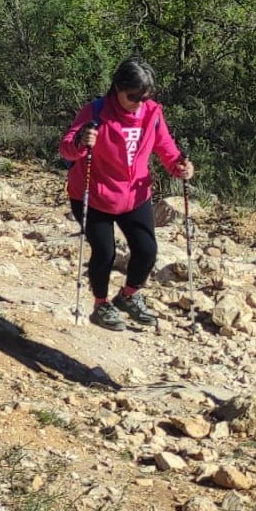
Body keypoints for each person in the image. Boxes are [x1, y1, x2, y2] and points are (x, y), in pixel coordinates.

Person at [60, 58, 194, 331]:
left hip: (135, 195)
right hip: (93, 194)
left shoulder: (152, 113)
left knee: (147, 251)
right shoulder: (95, 112)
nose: (139, 102)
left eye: (145, 96)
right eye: (133, 96)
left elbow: (166, 147)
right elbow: (66, 148)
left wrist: (179, 166)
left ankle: (129, 296)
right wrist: (81, 142)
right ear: (117, 88)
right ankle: (101, 305)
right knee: (105, 252)